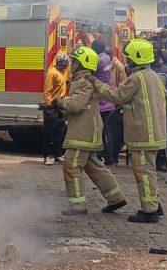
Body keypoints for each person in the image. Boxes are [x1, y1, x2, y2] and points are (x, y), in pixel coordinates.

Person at [95, 38, 167, 223]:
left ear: (137, 58)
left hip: (143, 134)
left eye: (129, 57)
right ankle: (155, 203)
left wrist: (97, 84)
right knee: (148, 170)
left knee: (143, 172)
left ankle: (149, 211)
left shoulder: (136, 78)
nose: (127, 60)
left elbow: (117, 96)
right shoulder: (154, 77)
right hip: (155, 133)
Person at [56, 46, 127, 215]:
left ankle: (77, 205)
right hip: (87, 130)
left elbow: (76, 104)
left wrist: (60, 102)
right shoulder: (82, 81)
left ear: (82, 64)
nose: (71, 63)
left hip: (83, 133)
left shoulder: (84, 83)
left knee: (71, 166)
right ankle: (115, 198)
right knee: (94, 167)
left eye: (74, 61)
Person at [92, 40, 123, 167]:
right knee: (109, 132)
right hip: (109, 100)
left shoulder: (98, 60)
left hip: (101, 102)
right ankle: (110, 158)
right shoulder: (107, 59)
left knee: (100, 131)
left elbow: (91, 73)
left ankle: (100, 156)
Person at [41, 53, 70, 166]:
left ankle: (58, 155)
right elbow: (47, 91)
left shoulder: (60, 73)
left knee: (59, 133)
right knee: (49, 134)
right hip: (51, 107)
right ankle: (47, 156)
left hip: (59, 107)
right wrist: (48, 106)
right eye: (65, 65)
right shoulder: (52, 73)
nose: (66, 67)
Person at [151, 50, 167, 172]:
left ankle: (162, 161)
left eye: (156, 56)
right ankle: (153, 161)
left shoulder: (166, 70)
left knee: (163, 135)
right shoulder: (147, 70)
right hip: (149, 107)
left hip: (162, 106)